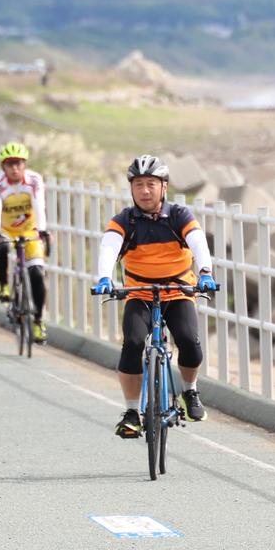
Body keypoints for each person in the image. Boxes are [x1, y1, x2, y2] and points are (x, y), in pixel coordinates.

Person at [91, 154, 220, 437]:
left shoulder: (179, 216)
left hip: (178, 291)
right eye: (138, 184)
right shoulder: (125, 221)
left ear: (164, 187)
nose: (145, 191)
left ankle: (190, 391)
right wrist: (104, 277)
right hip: (139, 292)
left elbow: (198, 242)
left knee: (189, 341)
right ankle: (131, 412)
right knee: (133, 343)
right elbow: (109, 248)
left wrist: (206, 272)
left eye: (151, 184)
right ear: (131, 188)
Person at [0, 141, 50, 345]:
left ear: (25, 164)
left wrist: (42, 230)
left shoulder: (34, 180)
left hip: (30, 230)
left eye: (19, 163)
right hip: (6, 229)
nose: (15, 168)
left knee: (37, 274)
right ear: (3, 167)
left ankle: (38, 321)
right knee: (1, 248)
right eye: (10, 164)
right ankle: (4, 285)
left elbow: (39, 204)